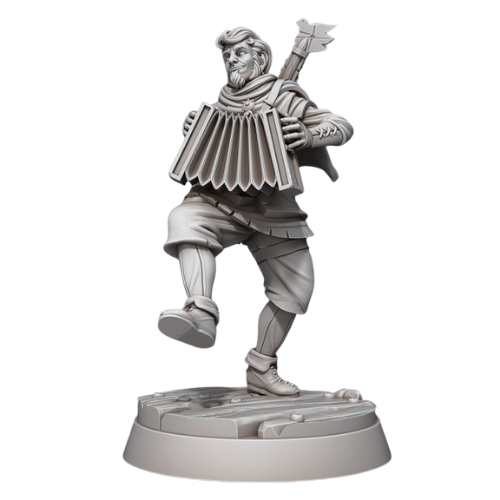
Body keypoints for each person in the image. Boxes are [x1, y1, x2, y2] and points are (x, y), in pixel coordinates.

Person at [159, 27, 353, 396]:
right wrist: (193, 129)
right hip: (220, 202)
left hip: (272, 210)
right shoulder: (222, 103)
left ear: (259, 58)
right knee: (184, 219)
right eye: (226, 56)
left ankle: (262, 369)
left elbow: (340, 126)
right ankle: (201, 313)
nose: (231, 61)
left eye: (239, 54)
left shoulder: (284, 95)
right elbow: (213, 144)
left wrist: (309, 136)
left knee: (296, 289)